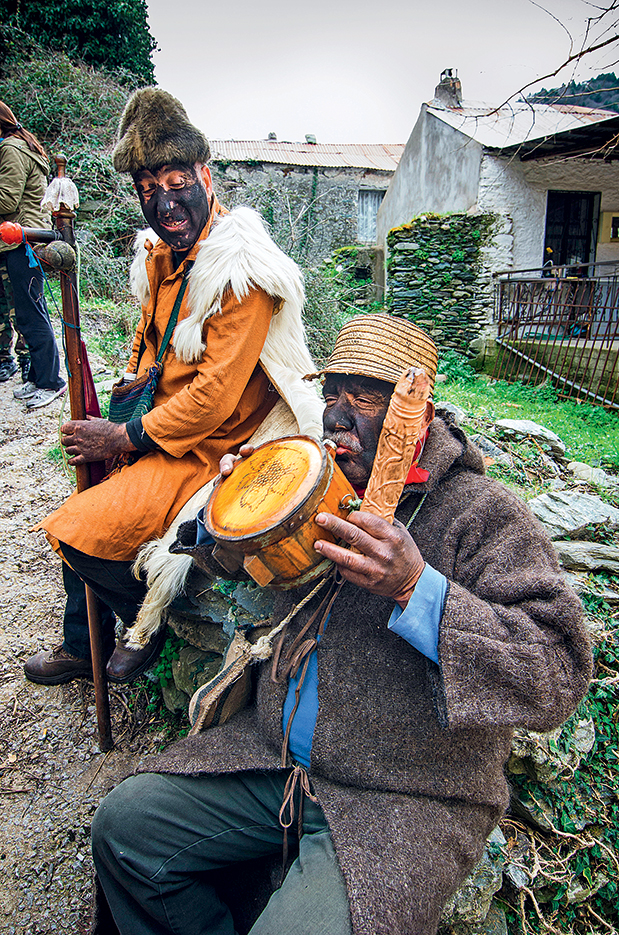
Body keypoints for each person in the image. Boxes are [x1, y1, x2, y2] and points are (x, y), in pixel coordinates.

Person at [90, 314, 592, 935]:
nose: (336, 415)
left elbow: (559, 672)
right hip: (273, 757)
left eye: (366, 399)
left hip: (405, 796)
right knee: (126, 830)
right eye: (331, 395)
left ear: (418, 418)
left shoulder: (482, 514)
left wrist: (416, 587)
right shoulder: (318, 485)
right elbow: (246, 568)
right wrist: (231, 508)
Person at [24, 88, 322, 687]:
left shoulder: (242, 269)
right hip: (163, 427)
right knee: (84, 510)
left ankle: (148, 624)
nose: (164, 201)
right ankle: (83, 644)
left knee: (76, 533)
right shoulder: (160, 258)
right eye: (147, 188)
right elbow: (149, 342)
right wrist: (126, 394)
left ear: (205, 176)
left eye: (176, 179)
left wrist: (124, 436)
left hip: (218, 445)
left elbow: (212, 398)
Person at [0, 101, 63, 405]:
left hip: (21, 241)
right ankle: (39, 377)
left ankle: (51, 382)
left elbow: (7, 200)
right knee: (27, 315)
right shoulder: (24, 146)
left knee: (32, 315)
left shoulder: (11, 149)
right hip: (25, 239)